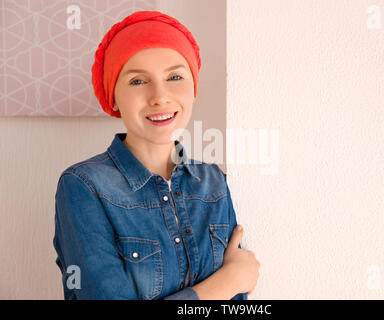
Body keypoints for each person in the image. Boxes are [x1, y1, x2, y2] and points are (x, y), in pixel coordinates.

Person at [52, 10, 260, 300]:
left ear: (194, 87)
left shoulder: (214, 182)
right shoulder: (84, 186)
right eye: (138, 81)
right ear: (113, 95)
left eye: (175, 76)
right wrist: (229, 281)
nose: (160, 96)